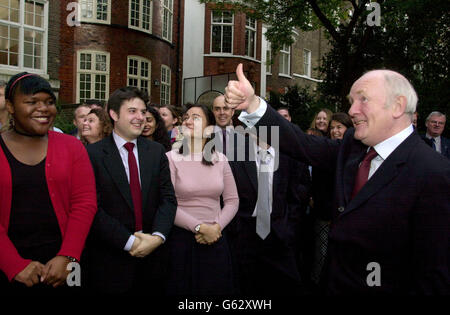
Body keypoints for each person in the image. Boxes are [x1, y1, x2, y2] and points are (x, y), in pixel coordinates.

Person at [224, 63, 450, 294]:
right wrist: (252, 104)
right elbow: (301, 144)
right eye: (352, 102)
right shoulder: (352, 146)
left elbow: (432, 274)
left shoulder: (434, 173)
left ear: (397, 105)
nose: (352, 111)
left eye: (363, 100)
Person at [0, 72, 97, 293]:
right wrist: (13, 264)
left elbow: (85, 203)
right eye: (32, 102)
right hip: (8, 266)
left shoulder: (72, 146)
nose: (44, 108)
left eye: (49, 102)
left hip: (65, 267)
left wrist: (68, 255)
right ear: (11, 106)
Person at [84, 87, 177, 294]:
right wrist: (130, 242)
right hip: (110, 259)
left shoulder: (156, 152)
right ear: (114, 114)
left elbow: (168, 199)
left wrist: (158, 237)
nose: (140, 118)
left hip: (154, 258)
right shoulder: (92, 154)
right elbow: (92, 208)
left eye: (143, 112)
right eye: (132, 111)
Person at [165, 103, 239, 295]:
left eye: (195, 117)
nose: (188, 121)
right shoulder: (170, 158)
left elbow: (232, 200)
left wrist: (216, 227)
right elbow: (167, 204)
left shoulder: (220, 159)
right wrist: (200, 227)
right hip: (182, 241)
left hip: (215, 238)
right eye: (186, 117)